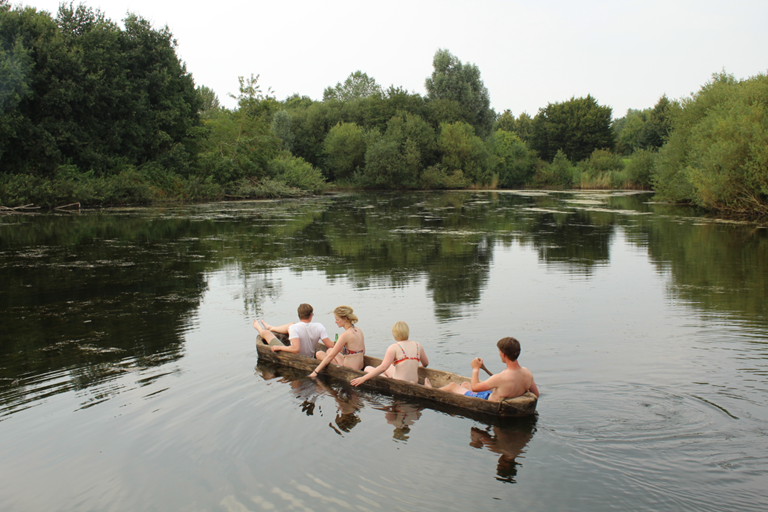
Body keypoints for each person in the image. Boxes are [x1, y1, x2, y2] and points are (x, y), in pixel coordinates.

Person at [433, 337, 539, 401]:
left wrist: (475, 369)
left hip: (487, 400)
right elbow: (536, 394)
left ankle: (430, 391)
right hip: (493, 395)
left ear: (503, 354)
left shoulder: (500, 378)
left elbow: (475, 387)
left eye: (499, 352)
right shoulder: (527, 373)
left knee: (452, 386)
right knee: (465, 384)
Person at [350, 321, 429, 386]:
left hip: (399, 382)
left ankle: (385, 378)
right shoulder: (418, 345)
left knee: (367, 368)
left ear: (394, 333)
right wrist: (415, 366)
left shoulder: (394, 347)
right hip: (414, 381)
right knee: (390, 366)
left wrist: (363, 378)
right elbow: (425, 363)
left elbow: (383, 367)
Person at [253, 303, 332, 358]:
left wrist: (279, 347)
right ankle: (271, 328)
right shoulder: (319, 326)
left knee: (266, 333)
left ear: (299, 315)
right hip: (310, 355)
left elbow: (296, 349)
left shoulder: (294, 328)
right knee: (291, 324)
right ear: (311, 315)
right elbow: (330, 345)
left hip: (295, 355)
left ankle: (259, 327)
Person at [309, 305, 365, 377]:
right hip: (360, 366)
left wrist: (315, 372)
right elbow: (363, 351)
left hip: (348, 369)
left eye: (337, 319)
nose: (336, 322)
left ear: (345, 319)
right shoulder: (359, 330)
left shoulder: (345, 335)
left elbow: (330, 357)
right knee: (329, 349)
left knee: (319, 353)